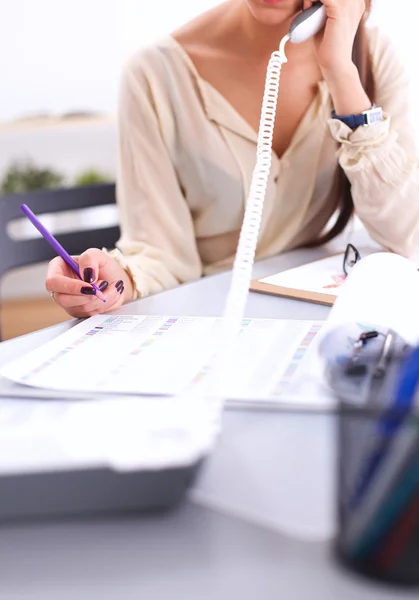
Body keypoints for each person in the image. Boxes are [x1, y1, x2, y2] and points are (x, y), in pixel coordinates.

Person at [46, 0, 419, 318]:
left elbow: (408, 235)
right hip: (212, 318)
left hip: (317, 315)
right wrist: (116, 278)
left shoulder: (369, 57)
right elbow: (161, 254)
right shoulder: (153, 75)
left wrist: (341, 74)